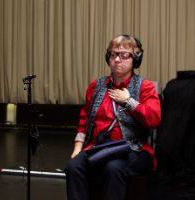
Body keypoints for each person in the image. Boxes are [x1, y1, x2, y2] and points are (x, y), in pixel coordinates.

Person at [65, 35, 161, 200]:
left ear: (136, 59)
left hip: (133, 149)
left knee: (113, 168)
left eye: (124, 55)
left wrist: (128, 101)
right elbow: (84, 120)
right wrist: (78, 147)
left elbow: (154, 119)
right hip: (100, 148)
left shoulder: (145, 86)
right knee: (74, 166)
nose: (117, 59)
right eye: (113, 54)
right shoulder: (96, 86)